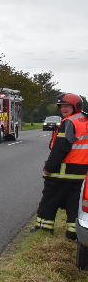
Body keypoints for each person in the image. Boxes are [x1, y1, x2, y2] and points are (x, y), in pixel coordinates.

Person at [32, 93, 88, 240]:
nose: (63, 109)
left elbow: (61, 148)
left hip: (62, 172)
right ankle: (73, 233)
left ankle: (43, 228)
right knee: (74, 203)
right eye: (61, 106)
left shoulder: (69, 122)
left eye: (67, 106)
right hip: (81, 174)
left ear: (76, 106)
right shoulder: (85, 120)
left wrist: (49, 168)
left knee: (50, 199)